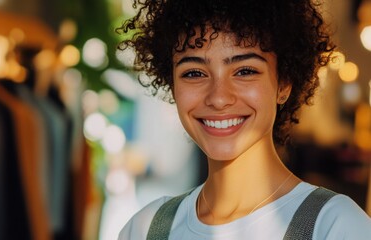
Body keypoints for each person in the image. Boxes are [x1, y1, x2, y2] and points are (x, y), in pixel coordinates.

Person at [117, 0, 371, 239]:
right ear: (172, 84)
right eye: (194, 73)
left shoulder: (333, 227)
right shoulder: (146, 229)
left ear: (284, 83)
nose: (218, 98)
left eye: (245, 71)